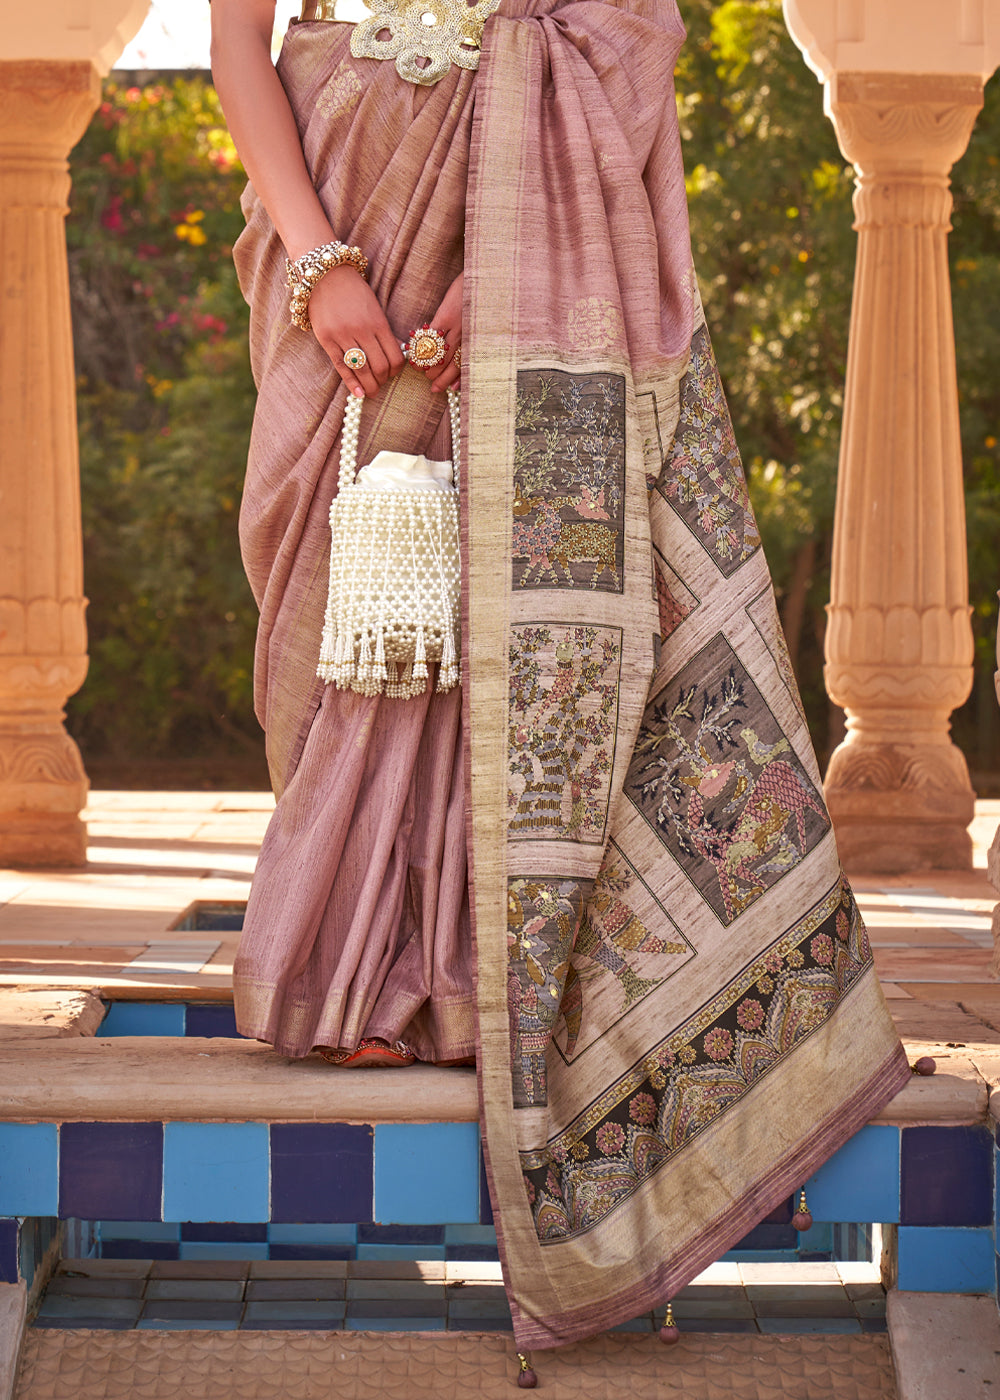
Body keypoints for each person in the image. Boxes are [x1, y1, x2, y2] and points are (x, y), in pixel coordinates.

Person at [211, 0, 911, 1353]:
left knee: (515, 626)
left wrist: (517, 269)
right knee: (354, 604)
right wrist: (318, 264)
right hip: (337, 215)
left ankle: (475, 983)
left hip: (526, 229)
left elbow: (628, 28)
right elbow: (240, 31)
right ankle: (352, 975)